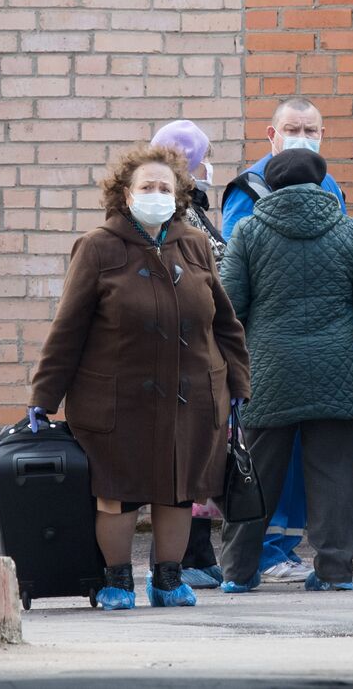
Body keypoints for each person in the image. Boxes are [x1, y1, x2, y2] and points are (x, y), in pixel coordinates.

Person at [28, 143, 251, 611]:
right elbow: (67, 328)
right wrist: (44, 396)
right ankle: (117, 580)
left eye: (164, 187)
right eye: (146, 186)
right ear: (125, 195)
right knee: (118, 494)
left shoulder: (193, 244)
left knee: (178, 493)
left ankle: (168, 580)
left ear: (179, 195)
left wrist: (238, 384)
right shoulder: (97, 247)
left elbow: (225, 322)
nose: (156, 194)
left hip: (192, 397)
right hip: (116, 400)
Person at [218, 148, 353, 593]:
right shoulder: (348, 230)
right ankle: (335, 570)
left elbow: (229, 308)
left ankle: (239, 572)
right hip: (338, 368)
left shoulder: (248, 230)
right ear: (321, 182)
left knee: (256, 472)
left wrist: (227, 374)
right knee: (337, 474)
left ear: (272, 184)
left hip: (269, 370)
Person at [222, 96, 345, 581]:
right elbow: (235, 268)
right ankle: (266, 550)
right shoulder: (248, 188)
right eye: (292, 129)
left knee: (303, 460)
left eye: (311, 129)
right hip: (267, 345)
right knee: (267, 456)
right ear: (270, 135)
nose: (302, 137)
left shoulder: (328, 183)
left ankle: (285, 550)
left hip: (319, 341)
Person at [150, 119, 229, 591]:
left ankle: (193, 557)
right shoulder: (181, 212)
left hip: (193, 351)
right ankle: (189, 559)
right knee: (188, 461)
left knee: (194, 458)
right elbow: (214, 259)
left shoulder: (189, 205)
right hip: (184, 354)